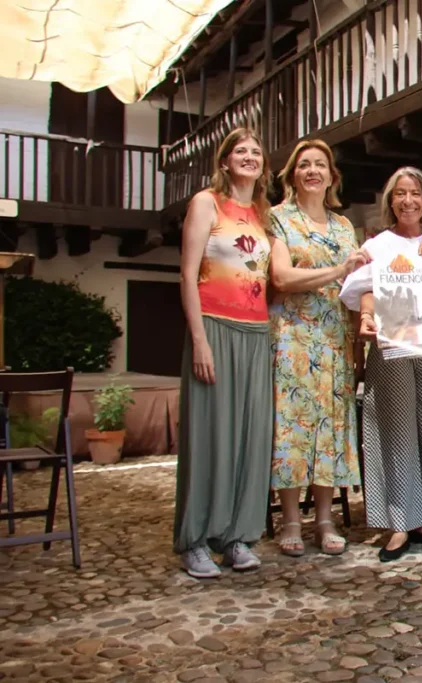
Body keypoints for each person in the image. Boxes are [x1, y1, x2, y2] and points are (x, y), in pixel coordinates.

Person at [339, 167, 422, 562]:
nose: (408, 200)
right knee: (396, 430)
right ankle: (399, 523)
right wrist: (367, 317)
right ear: (390, 201)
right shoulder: (379, 244)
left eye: (415, 193)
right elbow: (364, 288)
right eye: (400, 194)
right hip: (393, 346)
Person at [174, 127, 274, 578]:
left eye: (255, 152)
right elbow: (187, 275)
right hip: (214, 329)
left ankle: (237, 537)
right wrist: (199, 340)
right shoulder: (205, 203)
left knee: (250, 439)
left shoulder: (261, 213)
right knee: (210, 436)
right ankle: (195, 540)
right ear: (225, 159)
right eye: (241, 151)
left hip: (256, 333)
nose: (249, 157)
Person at [267, 139, 368, 557]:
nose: (313, 171)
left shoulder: (344, 226)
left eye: (320, 165)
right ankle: (291, 519)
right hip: (294, 336)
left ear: (331, 176)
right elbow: (282, 279)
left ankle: (325, 520)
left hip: (336, 340)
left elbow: (359, 281)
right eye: (304, 165)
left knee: (330, 428)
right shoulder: (277, 219)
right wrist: (339, 270)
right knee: (293, 426)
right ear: (292, 175)